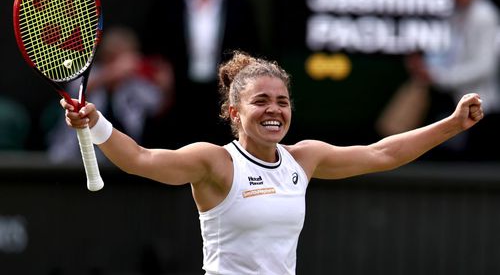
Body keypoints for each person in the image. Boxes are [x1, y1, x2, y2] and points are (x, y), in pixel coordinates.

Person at [60, 50, 483, 274]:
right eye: (260, 101)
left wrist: (451, 124)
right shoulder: (214, 163)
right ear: (234, 112)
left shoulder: (305, 159)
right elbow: (141, 159)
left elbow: (382, 152)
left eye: (282, 101)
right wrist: (97, 122)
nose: (273, 110)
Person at [142, 0, 260, 147]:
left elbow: (251, 49)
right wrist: (161, 70)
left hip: (222, 91)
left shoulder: (239, 6)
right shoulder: (169, 3)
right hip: (178, 93)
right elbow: (152, 44)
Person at [405, 0, 500, 160]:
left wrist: (439, 75)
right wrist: (429, 68)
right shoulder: (458, 14)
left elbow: (485, 66)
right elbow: (452, 55)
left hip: (481, 114)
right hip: (459, 108)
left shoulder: (483, 15)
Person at [47, 25, 173, 164]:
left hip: (122, 161)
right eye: (115, 57)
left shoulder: (135, 84)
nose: (123, 64)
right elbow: (74, 93)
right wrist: (112, 73)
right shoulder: (89, 74)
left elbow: (158, 107)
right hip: (74, 158)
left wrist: (166, 88)